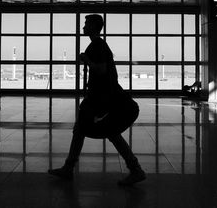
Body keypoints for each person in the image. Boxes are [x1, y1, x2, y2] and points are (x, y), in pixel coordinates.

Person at [48, 14, 146, 186]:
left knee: (86, 129)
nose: (83, 26)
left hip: (104, 98)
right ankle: (135, 169)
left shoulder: (97, 45)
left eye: (86, 23)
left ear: (94, 26)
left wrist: (86, 60)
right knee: (104, 131)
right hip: (105, 98)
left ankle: (69, 168)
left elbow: (101, 70)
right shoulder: (98, 45)